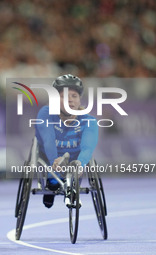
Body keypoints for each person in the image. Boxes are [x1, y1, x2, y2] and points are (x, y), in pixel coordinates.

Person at [35, 74, 98, 208]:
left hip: (74, 164)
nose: (69, 100)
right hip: (50, 161)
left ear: (80, 100)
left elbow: (87, 148)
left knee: (76, 165)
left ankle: (72, 186)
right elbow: (48, 139)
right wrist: (54, 161)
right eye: (64, 96)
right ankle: (52, 183)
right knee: (55, 175)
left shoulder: (89, 121)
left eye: (74, 96)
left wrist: (80, 164)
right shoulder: (45, 113)